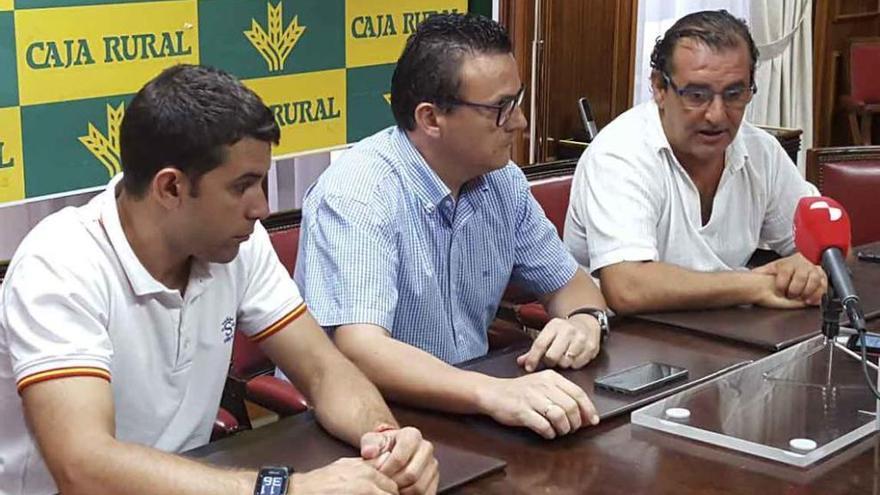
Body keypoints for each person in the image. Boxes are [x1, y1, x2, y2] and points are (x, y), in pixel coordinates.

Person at [0, 64, 437, 495]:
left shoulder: (238, 243)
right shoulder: (59, 264)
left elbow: (323, 370)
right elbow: (84, 467)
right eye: (242, 186)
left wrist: (386, 443)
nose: (261, 207)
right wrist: (285, 490)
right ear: (170, 188)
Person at [293, 13, 608, 441]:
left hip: (468, 410)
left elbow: (572, 286)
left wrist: (585, 323)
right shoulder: (358, 193)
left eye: (518, 101)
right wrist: (492, 393)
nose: (520, 123)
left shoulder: (502, 181)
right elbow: (361, 350)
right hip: (368, 423)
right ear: (431, 119)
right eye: (501, 109)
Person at [563, 10, 826, 315]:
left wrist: (808, 265)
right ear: (660, 88)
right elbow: (628, 288)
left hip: (725, 331)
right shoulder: (620, 154)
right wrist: (757, 285)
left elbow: (829, 243)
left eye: (734, 94)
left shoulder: (760, 151)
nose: (716, 115)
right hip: (626, 341)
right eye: (697, 95)